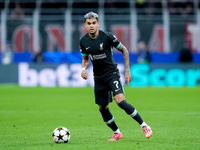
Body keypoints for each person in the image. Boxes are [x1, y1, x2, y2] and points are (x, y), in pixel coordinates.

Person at [79, 12, 152, 141]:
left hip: (112, 74)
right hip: (99, 78)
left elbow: (124, 50)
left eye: (93, 23)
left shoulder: (107, 37)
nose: (91, 26)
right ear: (85, 25)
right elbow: (85, 59)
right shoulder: (83, 41)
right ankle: (117, 132)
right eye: (89, 24)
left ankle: (144, 125)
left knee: (120, 101)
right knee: (103, 108)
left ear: (98, 24)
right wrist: (83, 69)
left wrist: (127, 70)